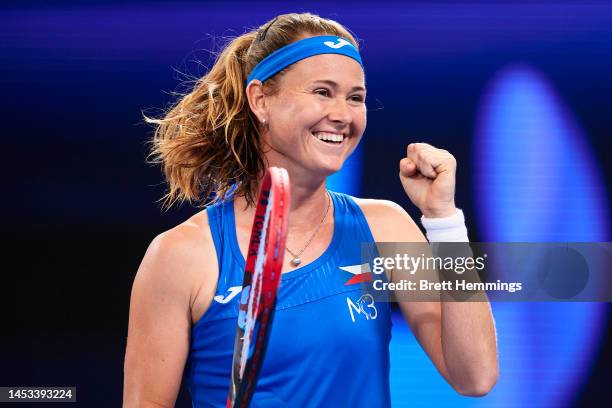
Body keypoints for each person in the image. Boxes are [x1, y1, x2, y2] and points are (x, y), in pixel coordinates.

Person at [123, 12, 498, 408]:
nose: (343, 114)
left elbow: (475, 376)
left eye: (356, 97)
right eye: (322, 92)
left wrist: (444, 223)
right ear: (260, 100)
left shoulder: (385, 227)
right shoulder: (181, 256)